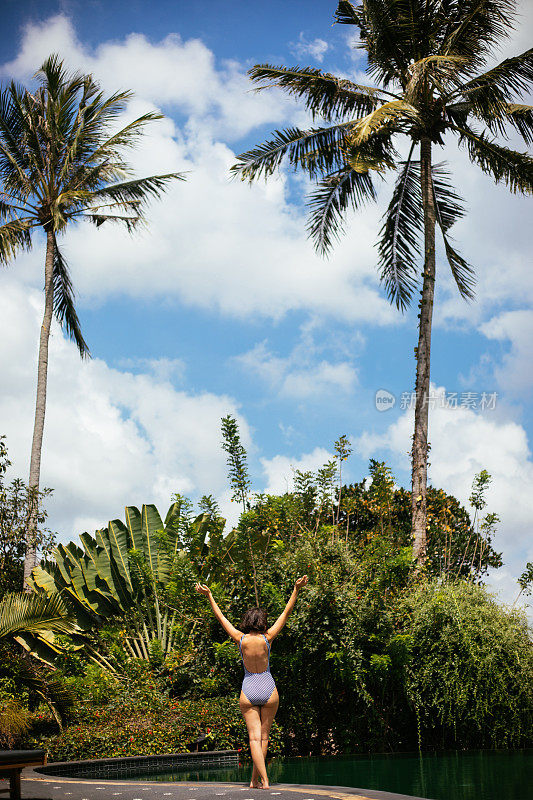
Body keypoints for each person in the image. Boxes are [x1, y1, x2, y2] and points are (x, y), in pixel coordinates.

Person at [195, 576, 308, 789]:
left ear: (247, 622)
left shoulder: (240, 639)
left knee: (254, 740)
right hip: (268, 687)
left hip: (248, 689)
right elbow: (286, 612)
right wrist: (296, 589)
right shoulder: (268, 637)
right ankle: (262, 780)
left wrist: (209, 596)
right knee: (264, 739)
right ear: (262, 622)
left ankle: (258, 780)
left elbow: (221, 618)